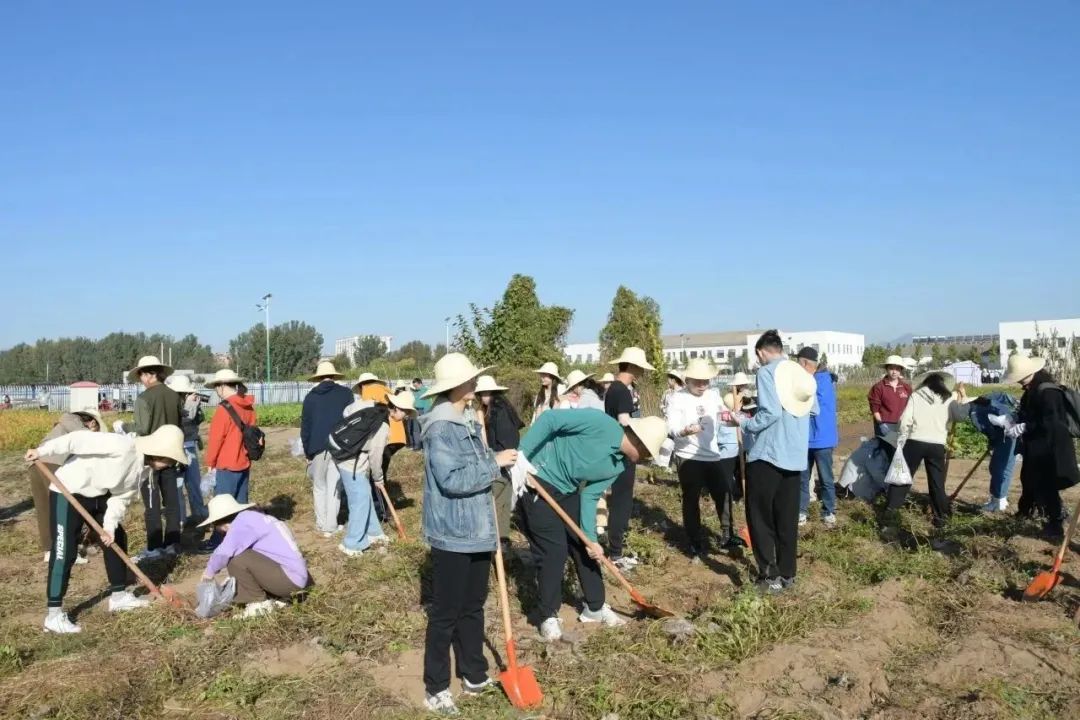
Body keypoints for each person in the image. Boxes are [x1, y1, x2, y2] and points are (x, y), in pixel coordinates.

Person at [418, 353, 518, 715]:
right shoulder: (441, 427)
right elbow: (452, 480)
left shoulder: (469, 421)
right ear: (455, 386)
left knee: (473, 605)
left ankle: (474, 673)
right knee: (446, 612)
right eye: (471, 380)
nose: (476, 384)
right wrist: (494, 463)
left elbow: (475, 468)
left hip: (478, 528)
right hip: (453, 532)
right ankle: (436, 687)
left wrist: (494, 459)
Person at [518, 409, 666, 641]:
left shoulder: (620, 464)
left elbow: (590, 495)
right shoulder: (599, 423)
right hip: (536, 479)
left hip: (567, 490)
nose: (647, 459)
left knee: (584, 546)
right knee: (553, 551)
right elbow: (550, 419)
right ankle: (548, 614)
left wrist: (591, 539)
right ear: (639, 441)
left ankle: (595, 607)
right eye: (647, 453)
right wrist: (521, 456)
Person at [25, 425, 187, 634]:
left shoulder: (144, 471)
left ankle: (118, 596)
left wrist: (108, 527)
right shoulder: (122, 445)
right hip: (68, 491)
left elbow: (120, 498)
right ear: (159, 452)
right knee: (65, 550)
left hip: (99, 495)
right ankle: (53, 615)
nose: (171, 465)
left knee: (116, 537)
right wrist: (42, 451)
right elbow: (77, 440)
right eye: (171, 460)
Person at [728, 330, 816, 593]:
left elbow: (770, 413)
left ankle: (769, 576)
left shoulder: (767, 372)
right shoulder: (800, 374)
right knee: (786, 519)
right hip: (794, 457)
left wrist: (744, 422)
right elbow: (812, 409)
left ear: (760, 352)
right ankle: (788, 574)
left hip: (768, 455)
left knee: (760, 517)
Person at [666, 358, 741, 558]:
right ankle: (695, 542)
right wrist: (684, 431)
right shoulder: (677, 398)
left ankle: (727, 534)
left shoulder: (713, 396)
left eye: (706, 381)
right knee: (691, 499)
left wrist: (732, 420)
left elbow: (723, 417)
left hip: (712, 455)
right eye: (698, 381)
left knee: (724, 494)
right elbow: (671, 427)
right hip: (688, 456)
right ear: (688, 380)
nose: (702, 385)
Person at [999, 354, 1079, 537]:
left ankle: (1056, 522)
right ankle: (1026, 511)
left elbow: (1053, 422)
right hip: (1036, 446)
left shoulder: (1049, 392)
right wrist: (1014, 422)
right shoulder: (1031, 391)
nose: (1020, 382)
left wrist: (1026, 426)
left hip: (1051, 448)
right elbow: (1029, 415)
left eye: (1021, 378)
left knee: (1046, 484)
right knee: (1028, 479)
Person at [199, 494, 309, 618]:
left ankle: (257, 602)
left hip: (289, 581)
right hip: (295, 577)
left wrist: (208, 573)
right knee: (241, 555)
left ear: (223, 525)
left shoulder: (241, 523)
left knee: (236, 558)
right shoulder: (253, 518)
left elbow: (223, 552)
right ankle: (275, 597)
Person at [336, 390, 417, 557]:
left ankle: (374, 532)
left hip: (350, 454)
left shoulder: (374, 406)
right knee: (359, 501)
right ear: (397, 408)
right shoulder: (383, 425)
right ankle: (351, 544)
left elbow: (346, 411)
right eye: (407, 412)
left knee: (365, 494)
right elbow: (376, 456)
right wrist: (378, 478)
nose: (407, 417)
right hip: (348, 459)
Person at [888, 371, 970, 527]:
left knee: (902, 479)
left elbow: (904, 421)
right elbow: (960, 416)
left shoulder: (916, 395)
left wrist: (902, 438)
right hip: (936, 445)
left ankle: (891, 514)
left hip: (915, 442)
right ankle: (941, 519)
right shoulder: (948, 398)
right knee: (937, 483)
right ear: (942, 384)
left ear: (926, 382)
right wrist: (964, 397)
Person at [29, 408, 103, 564]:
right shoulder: (72, 420)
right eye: (97, 427)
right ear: (92, 422)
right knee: (64, 509)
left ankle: (50, 551)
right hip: (52, 465)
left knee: (46, 509)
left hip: (36, 464)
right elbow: (87, 440)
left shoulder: (64, 424)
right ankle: (68, 551)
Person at [603, 346, 653, 571]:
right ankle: (616, 553)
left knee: (619, 499)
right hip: (623, 450)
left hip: (614, 448)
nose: (642, 371)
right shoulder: (622, 391)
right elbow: (624, 421)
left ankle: (616, 548)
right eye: (640, 367)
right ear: (632, 367)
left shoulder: (612, 388)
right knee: (622, 501)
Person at [130, 355, 184, 558]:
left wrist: (124, 427)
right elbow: (179, 426)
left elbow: (142, 429)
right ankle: (173, 543)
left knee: (152, 505)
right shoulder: (174, 396)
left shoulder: (143, 398)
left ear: (148, 375)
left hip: (150, 460)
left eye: (141, 375)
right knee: (172, 503)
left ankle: (154, 548)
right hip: (170, 455)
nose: (141, 380)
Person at [201, 369, 257, 551]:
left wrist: (210, 462)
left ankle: (218, 541)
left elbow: (216, 439)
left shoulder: (223, 409)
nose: (216, 390)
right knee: (241, 504)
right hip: (244, 461)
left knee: (222, 506)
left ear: (223, 386)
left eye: (216, 386)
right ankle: (242, 539)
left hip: (227, 463)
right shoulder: (248, 406)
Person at [301, 361, 353, 537]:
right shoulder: (346, 394)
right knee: (334, 487)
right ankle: (331, 526)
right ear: (334, 376)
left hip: (317, 447)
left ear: (318, 378)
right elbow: (350, 422)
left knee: (319, 486)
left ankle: (321, 522)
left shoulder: (310, 397)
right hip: (339, 446)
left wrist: (307, 452)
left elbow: (305, 427)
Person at [475, 375, 524, 548]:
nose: (483, 397)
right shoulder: (494, 408)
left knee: (494, 499)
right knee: (502, 501)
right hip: (505, 459)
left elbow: (507, 438)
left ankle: (496, 539)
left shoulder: (499, 410)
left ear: (493, 393)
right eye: (481, 393)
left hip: (502, 459)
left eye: (486, 393)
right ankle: (502, 540)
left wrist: (499, 458)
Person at [796, 348, 839, 528]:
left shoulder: (818, 381)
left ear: (805, 363)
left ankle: (827, 511)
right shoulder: (824, 379)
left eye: (798, 363)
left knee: (823, 478)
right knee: (805, 478)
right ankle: (804, 511)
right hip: (809, 438)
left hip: (820, 438)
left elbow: (810, 407)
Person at [967, 391, 1019, 512]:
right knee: (1003, 467)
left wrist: (992, 441)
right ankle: (1000, 499)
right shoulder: (985, 398)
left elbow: (985, 428)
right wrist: (1015, 403)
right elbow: (1003, 395)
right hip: (1012, 428)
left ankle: (998, 501)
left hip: (1007, 433)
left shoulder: (974, 412)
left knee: (999, 468)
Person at [166, 374, 208, 527]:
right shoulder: (171, 406)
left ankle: (199, 514)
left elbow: (197, 421)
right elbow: (181, 422)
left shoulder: (190, 403)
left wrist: (195, 406)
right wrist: (189, 406)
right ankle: (181, 519)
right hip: (176, 449)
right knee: (178, 485)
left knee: (194, 483)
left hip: (190, 446)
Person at [868, 355, 912, 440]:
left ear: (901, 370)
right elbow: (875, 409)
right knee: (884, 448)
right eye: (891, 368)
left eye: (897, 369)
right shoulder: (878, 387)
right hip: (884, 425)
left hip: (902, 424)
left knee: (900, 447)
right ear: (886, 369)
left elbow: (910, 406)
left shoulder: (906, 387)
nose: (894, 372)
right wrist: (881, 424)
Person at [409, 377, 431, 450]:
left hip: (423, 410)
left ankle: (425, 445)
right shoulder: (415, 392)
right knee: (415, 428)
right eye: (414, 386)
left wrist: (425, 413)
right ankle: (417, 445)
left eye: (416, 385)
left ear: (420, 383)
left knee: (424, 428)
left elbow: (428, 402)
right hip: (415, 410)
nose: (416, 387)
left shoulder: (426, 390)